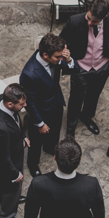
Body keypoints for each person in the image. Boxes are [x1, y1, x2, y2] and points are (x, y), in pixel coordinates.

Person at [24, 137, 105, 218]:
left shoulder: (39, 184)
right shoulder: (90, 184)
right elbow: (98, 207)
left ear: (55, 157)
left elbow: (31, 210)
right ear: (80, 160)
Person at [59, 0, 109, 136]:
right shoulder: (74, 21)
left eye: (94, 21)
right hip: (80, 67)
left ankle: (87, 116)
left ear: (104, 17)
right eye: (88, 18)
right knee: (76, 97)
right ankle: (71, 127)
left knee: (94, 94)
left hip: (102, 66)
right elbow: (62, 40)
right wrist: (66, 55)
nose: (89, 22)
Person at [20, 33, 76, 176]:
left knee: (55, 132)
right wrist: (40, 123)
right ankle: (33, 164)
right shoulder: (29, 74)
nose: (61, 59)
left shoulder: (55, 58)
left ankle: (50, 148)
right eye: (58, 57)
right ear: (45, 55)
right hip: (40, 112)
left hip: (55, 102)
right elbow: (29, 103)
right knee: (36, 142)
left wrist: (69, 59)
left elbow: (71, 70)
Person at [0, 83, 30, 218]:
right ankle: (7, 216)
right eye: (22, 104)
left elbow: (15, 120)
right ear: (10, 104)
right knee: (11, 189)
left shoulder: (2, 99)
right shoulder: (1, 128)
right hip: (7, 168)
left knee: (10, 192)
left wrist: (22, 137)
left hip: (12, 152)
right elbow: (3, 157)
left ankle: (13, 198)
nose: (25, 106)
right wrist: (15, 173)